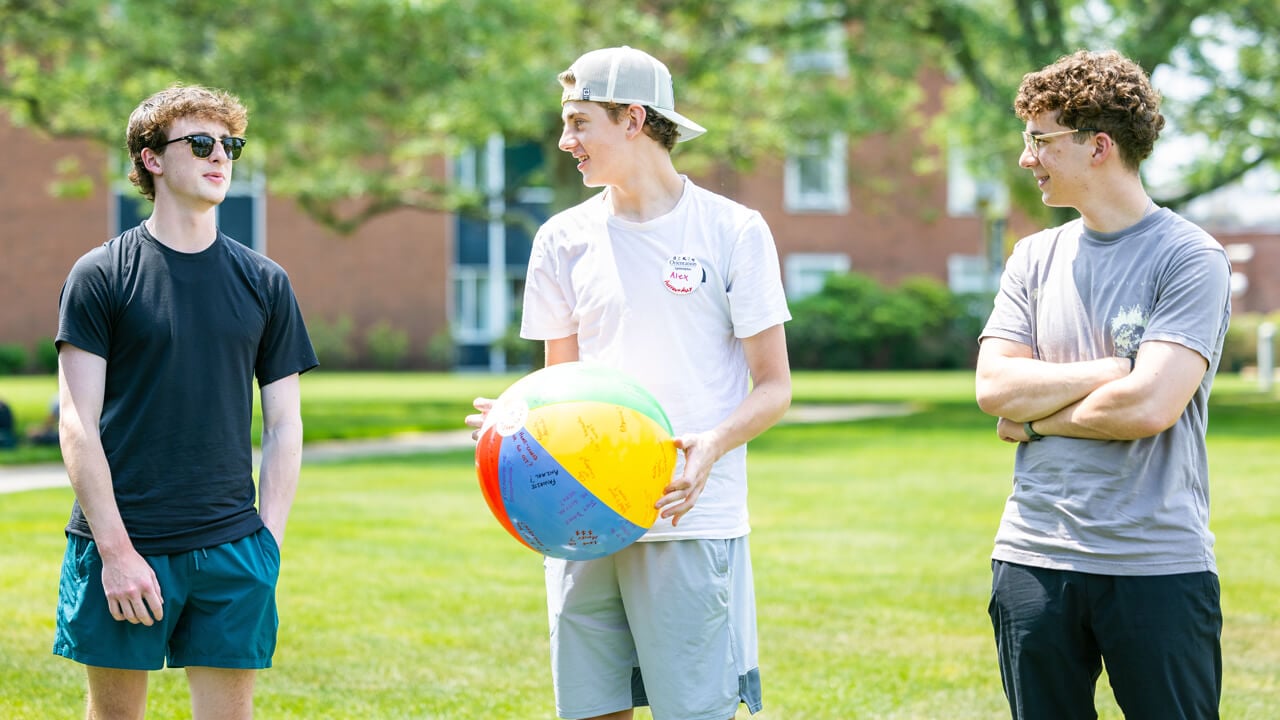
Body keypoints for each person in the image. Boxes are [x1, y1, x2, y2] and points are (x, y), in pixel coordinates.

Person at [466, 46, 792, 720]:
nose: (566, 142)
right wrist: (514, 424)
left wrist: (711, 447)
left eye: (579, 122)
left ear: (633, 119)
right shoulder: (561, 238)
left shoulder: (733, 231)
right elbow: (561, 385)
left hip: (688, 519)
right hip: (577, 520)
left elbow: (774, 386)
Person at [975, 50, 1231, 719]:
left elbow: (1150, 405)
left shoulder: (1189, 257)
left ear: (1099, 146)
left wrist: (1036, 421)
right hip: (1031, 559)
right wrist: (1110, 370)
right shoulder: (1034, 255)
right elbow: (994, 387)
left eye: (1040, 140)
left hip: (1156, 564)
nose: (1027, 158)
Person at [53, 85, 318, 719]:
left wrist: (267, 545)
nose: (220, 156)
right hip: (124, 540)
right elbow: (76, 423)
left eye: (230, 144)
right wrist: (116, 554)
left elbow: (285, 424)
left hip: (233, 545)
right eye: (200, 143)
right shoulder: (101, 274)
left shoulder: (265, 281)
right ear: (151, 158)